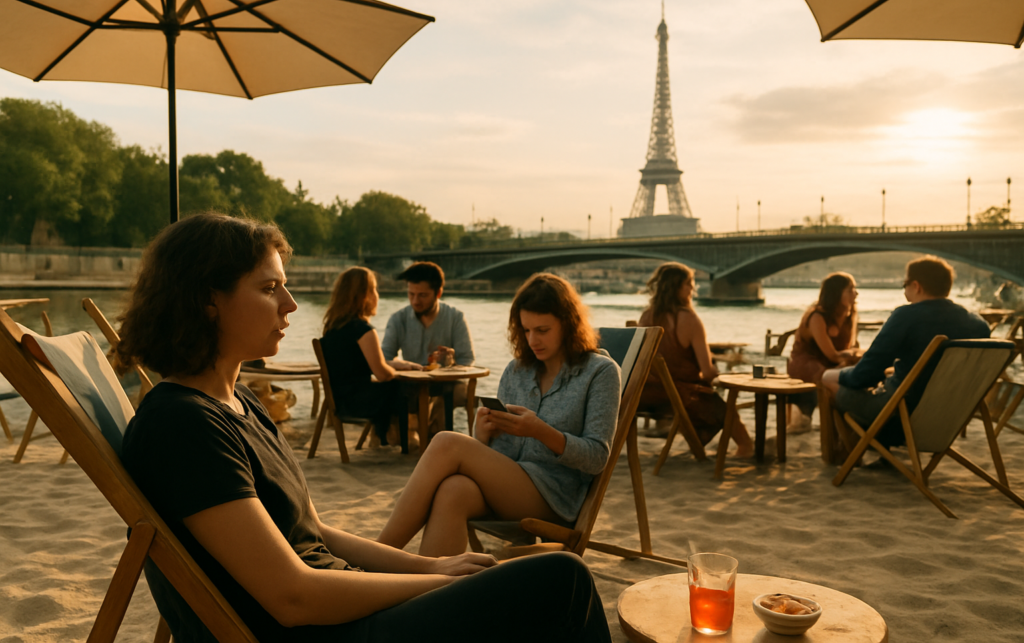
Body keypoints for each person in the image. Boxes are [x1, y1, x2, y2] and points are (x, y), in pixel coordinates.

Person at [116, 213, 612, 643]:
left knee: (530, 577)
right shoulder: (183, 425)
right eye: (270, 288)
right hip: (330, 635)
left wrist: (432, 566)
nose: (290, 304)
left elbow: (318, 533)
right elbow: (294, 597)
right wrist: (441, 584)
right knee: (563, 578)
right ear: (208, 301)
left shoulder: (238, 404)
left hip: (343, 613)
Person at [377, 273, 620, 558]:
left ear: (568, 324)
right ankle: (433, 589)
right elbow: (503, 455)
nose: (533, 340)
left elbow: (596, 457)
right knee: (453, 490)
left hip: (555, 497)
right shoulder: (517, 371)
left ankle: (377, 556)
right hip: (510, 487)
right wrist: (482, 436)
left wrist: (540, 430)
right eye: (526, 330)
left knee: (445, 442)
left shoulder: (599, 372)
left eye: (542, 330)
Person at [822, 256, 990, 448]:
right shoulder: (979, 326)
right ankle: (874, 449)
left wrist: (841, 373)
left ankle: (849, 450)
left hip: (901, 417)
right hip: (950, 419)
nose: (904, 291)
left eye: (905, 285)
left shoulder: (906, 316)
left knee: (828, 378)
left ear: (916, 286)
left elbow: (864, 376)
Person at [636, 263, 754, 457]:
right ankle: (745, 447)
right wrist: (717, 373)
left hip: (648, 396)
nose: (692, 289)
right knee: (721, 406)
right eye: (688, 284)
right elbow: (706, 372)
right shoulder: (689, 319)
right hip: (680, 397)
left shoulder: (646, 317)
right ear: (676, 287)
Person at [320, 266, 420, 452]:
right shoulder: (363, 330)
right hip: (360, 403)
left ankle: (385, 435)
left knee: (393, 388)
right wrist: (394, 371)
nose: (377, 295)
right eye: (374, 289)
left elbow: (353, 364)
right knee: (404, 387)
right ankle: (403, 438)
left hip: (341, 401)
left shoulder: (333, 328)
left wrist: (396, 364)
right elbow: (382, 375)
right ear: (363, 296)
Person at [382, 261, 475, 431]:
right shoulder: (398, 319)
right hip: (412, 383)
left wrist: (451, 361)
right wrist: (403, 365)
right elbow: (384, 358)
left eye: (423, 295)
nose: (415, 301)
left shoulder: (455, 317)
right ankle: (424, 433)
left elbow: (467, 359)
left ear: (438, 293)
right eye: (411, 294)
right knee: (395, 394)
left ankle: (435, 435)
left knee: (457, 393)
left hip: (448, 382)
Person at [785, 272, 861, 434]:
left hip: (832, 363)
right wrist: (851, 356)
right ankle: (846, 420)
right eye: (850, 289)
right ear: (836, 293)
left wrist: (852, 357)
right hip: (807, 363)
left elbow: (849, 348)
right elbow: (832, 355)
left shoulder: (850, 315)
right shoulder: (817, 316)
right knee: (830, 375)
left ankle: (855, 419)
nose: (856, 293)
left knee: (863, 371)